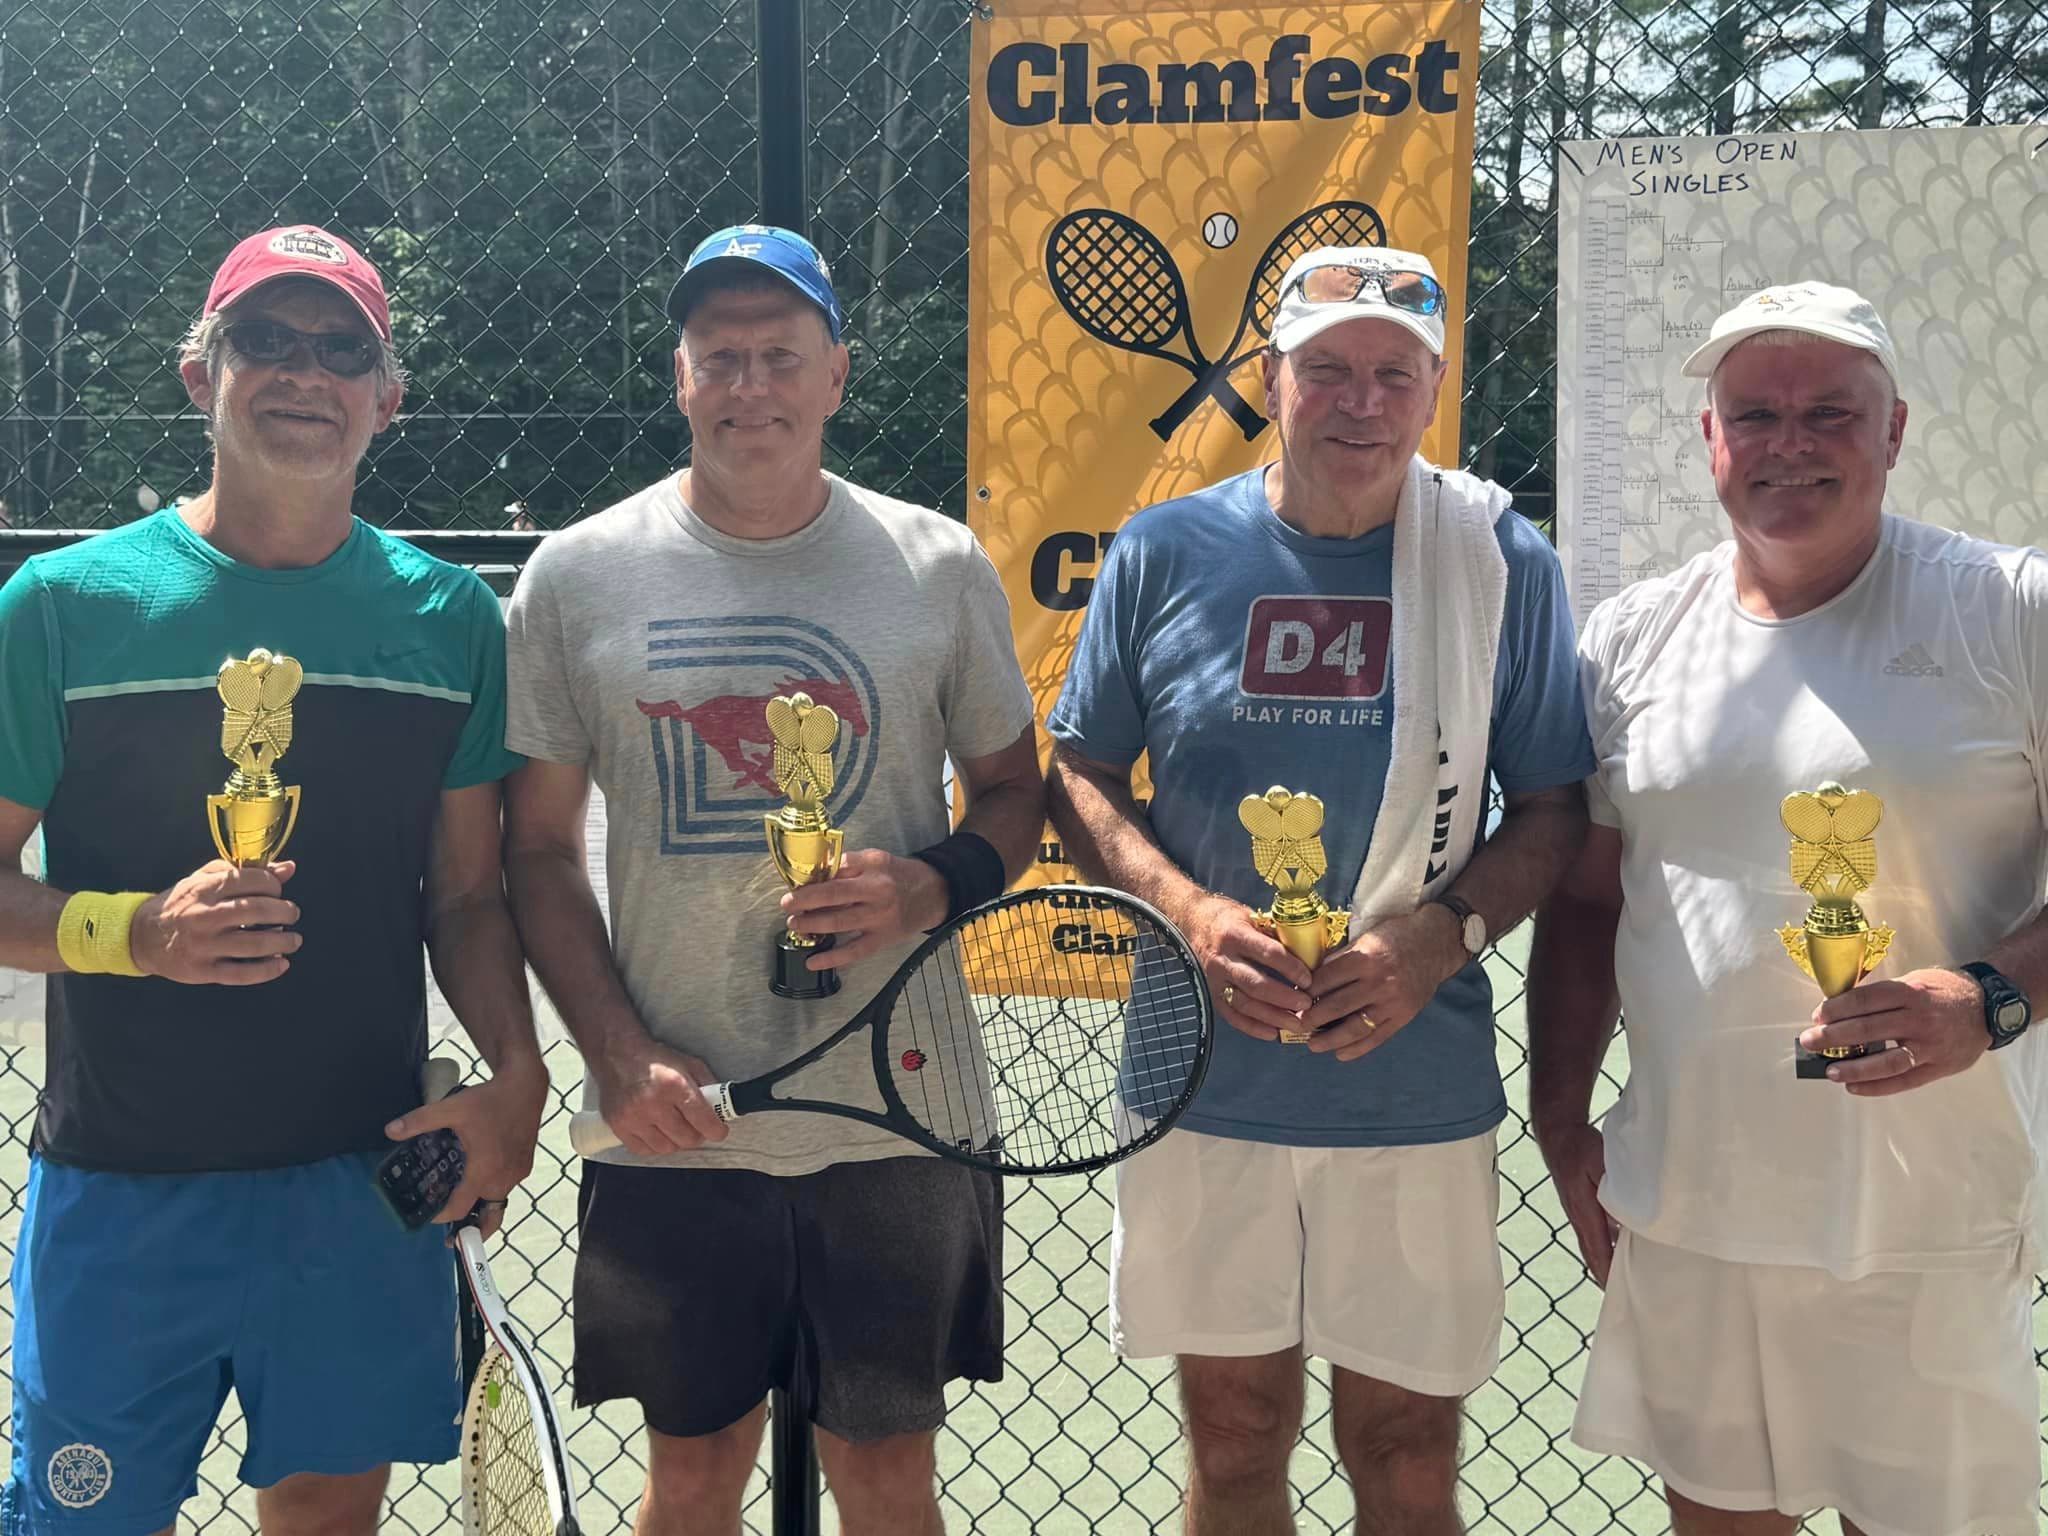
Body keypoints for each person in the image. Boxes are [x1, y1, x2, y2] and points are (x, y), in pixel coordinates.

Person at [0, 225, 545, 1535]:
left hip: (357, 1193)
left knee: (325, 1520)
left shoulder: (449, 620)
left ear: (387, 396)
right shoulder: (62, 608)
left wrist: (517, 1080)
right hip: (123, 1192)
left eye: (340, 348)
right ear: (203, 373)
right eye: (266, 341)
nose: (304, 374)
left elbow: (467, 898)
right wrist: (135, 931)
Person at [502, 223, 1043, 1536]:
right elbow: (529, 853)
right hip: (676, 1119)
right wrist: (620, 1055)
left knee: (886, 1479)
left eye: (781, 355)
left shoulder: (937, 563)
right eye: (721, 356)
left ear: (838, 375)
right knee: (691, 1478)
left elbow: (1019, 796)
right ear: (681, 379)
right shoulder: (573, 576)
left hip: (898, 1117)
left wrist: (930, 885)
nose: (752, 385)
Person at [1044, 246, 1593, 1534]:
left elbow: (1556, 811)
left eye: (1391, 376)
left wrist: (1439, 938)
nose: (1359, 402)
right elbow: (1074, 772)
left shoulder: (1499, 561)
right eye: (1327, 370)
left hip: (1410, 1090)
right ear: (1272, 378)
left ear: (1431, 390)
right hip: (1205, 1077)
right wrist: (1186, 912)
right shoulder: (1163, 548)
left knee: (1403, 1450)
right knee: (1232, 1441)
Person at [1528, 281, 2048, 1536]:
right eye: (1752, 414)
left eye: (1830, 411)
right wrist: (1558, 1120)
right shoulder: (1630, 638)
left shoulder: (2007, 609)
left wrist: (1987, 996)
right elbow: (1587, 906)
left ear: (1893, 430)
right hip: (1694, 1205)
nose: (1789, 441)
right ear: (1709, 440)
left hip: (1925, 1218)